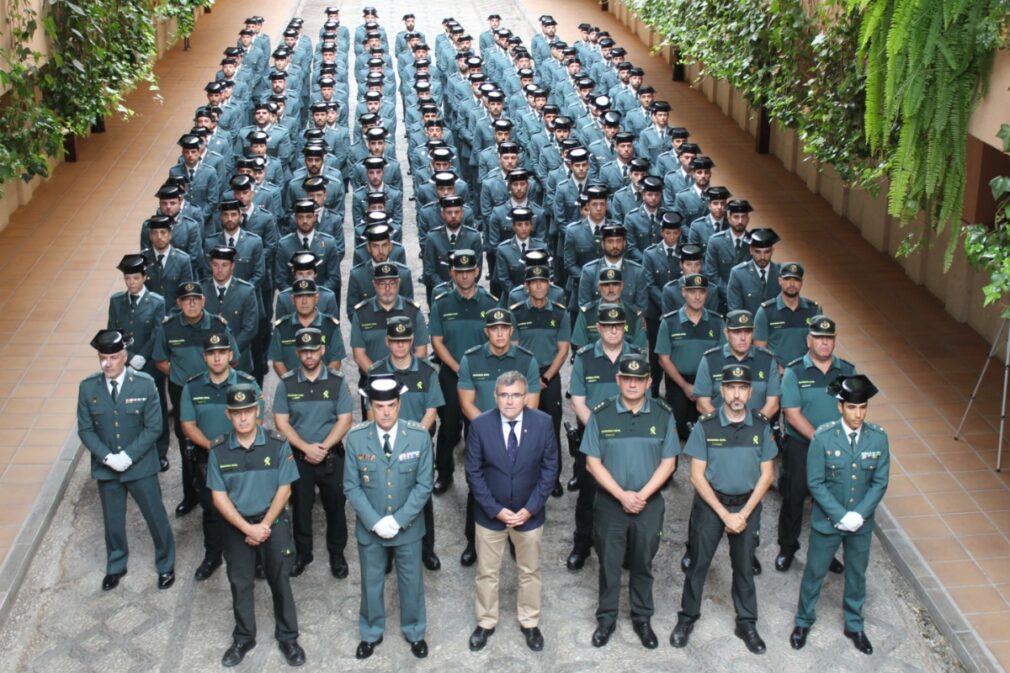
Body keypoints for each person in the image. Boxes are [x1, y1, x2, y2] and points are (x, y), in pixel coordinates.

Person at [671, 365, 776, 655]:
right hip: (711, 505)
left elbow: (767, 475)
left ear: (750, 392)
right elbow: (696, 476)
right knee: (698, 564)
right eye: (731, 387)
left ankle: (747, 623)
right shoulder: (705, 426)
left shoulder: (761, 426)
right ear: (723, 391)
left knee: (743, 568)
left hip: (747, 505)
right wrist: (725, 514)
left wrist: (743, 514)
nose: (737, 393)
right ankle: (687, 618)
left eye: (743, 388)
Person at [582, 353, 679, 649]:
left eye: (639, 379)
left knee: (643, 563)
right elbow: (592, 462)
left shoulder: (663, 414)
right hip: (611, 504)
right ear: (618, 380)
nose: (633, 384)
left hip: (648, 505)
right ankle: (607, 618)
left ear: (649, 382)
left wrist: (642, 496)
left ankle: (642, 617)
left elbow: (669, 462)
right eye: (627, 378)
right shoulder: (601, 413)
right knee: (609, 564)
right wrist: (622, 495)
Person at [207, 384, 305, 668]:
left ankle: (288, 637)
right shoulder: (219, 450)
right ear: (228, 415)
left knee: (280, 580)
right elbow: (218, 496)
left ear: (257, 411)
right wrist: (246, 528)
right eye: (237, 413)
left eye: (248, 411)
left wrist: (263, 525)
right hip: (238, 526)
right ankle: (244, 637)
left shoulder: (277, 444)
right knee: (240, 583)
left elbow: (285, 488)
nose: (243, 418)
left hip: (271, 522)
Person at [790, 375, 888, 655]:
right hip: (828, 522)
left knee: (857, 575)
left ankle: (854, 625)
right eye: (852, 408)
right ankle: (803, 621)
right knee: (815, 572)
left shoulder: (878, 438)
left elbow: (880, 481)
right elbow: (816, 482)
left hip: (861, 522)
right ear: (840, 408)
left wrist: (859, 514)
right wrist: (840, 515)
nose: (858, 414)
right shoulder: (822, 437)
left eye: (863, 408)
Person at [465, 371, 559, 652]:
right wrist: (496, 510)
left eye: (516, 395)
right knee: (486, 572)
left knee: (529, 571)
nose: (509, 401)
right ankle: (485, 621)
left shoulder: (543, 423)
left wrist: (530, 509)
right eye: (504, 395)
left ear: (526, 397)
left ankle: (530, 623)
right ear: (495, 397)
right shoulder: (480, 425)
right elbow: (473, 472)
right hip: (490, 515)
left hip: (528, 516)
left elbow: (550, 469)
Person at [77, 329, 176, 591]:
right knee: (113, 520)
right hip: (107, 467)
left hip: (140, 466)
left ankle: (166, 564)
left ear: (124, 356)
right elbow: (85, 429)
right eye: (102, 358)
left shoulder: (144, 384)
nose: (106, 363)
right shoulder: (88, 388)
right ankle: (116, 565)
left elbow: (154, 427)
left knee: (155, 516)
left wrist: (128, 456)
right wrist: (108, 457)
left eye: (112, 357)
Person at [343, 377, 434, 660]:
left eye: (391, 405)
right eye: (379, 406)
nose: (385, 412)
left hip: (408, 527)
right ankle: (371, 632)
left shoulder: (418, 436)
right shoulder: (356, 438)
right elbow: (351, 485)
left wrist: (397, 520)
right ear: (370, 406)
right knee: (371, 582)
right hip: (371, 529)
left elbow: (424, 485)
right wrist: (375, 521)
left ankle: (415, 631)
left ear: (399, 405)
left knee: (411, 582)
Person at [457, 308, 542, 566]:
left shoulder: (527, 360)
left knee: (519, 486)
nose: (500, 333)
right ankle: (474, 541)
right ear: (487, 332)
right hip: (483, 438)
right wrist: (491, 431)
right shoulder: (471, 359)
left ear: (511, 330)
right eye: (494, 328)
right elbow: (466, 402)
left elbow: (533, 404)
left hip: (520, 436)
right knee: (479, 488)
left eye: (504, 328)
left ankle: (518, 539)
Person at [180, 334, 263, 581]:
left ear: (230, 355)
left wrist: (233, 448)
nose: (217, 358)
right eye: (211, 353)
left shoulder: (247, 384)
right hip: (208, 459)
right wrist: (213, 448)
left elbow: (257, 419)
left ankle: (255, 559)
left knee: (249, 508)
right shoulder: (192, 387)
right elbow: (188, 424)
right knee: (212, 511)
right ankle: (213, 556)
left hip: (244, 457)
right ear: (205, 357)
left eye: (221, 352)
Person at [273, 327, 355, 579]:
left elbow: (345, 420)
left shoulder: (337, 381)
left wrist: (323, 448)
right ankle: (303, 553)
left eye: (313, 350)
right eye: (304, 351)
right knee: (300, 508)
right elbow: (281, 422)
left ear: (322, 350)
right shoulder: (286, 383)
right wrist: (306, 448)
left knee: (336, 508)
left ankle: (336, 554)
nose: (309, 355)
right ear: (298, 353)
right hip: (299, 458)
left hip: (331, 457)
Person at [776, 316, 855, 573]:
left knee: (830, 501)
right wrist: (821, 440)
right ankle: (787, 548)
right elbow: (792, 413)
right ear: (809, 340)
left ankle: (827, 552)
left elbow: (854, 410)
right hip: (801, 448)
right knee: (794, 498)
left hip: (837, 449)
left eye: (829, 338)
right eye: (819, 338)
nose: (824, 342)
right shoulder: (795, 371)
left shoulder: (847, 372)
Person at [566, 304, 643, 570]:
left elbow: (644, 398)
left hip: (629, 438)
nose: (613, 330)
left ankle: (625, 547)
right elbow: (577, 401)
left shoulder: (636, 356)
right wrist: (602, 433)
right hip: (595, 438)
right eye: (607, 326)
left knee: (627, 491)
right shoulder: (585, 358)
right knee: (589, 494)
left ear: (624, 328)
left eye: (618, 326)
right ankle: (582, 543)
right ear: (597, 328)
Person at [152, 281, 238, 517]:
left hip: (216, 389)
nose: (191, 303)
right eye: (186, 300)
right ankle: (191, 495)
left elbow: (235, 358)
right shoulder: (169, 328)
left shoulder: (217, 325)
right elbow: (160, 359)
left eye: (196, 299)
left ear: (203, 301)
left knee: (223, 438)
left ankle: (229, 491)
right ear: (178, 303)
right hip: (183, 392)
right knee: (187, 443)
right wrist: (181, 376)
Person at [367, 316, 445, 571]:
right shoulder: (376, 371)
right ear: (388, 342)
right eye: (395, 341)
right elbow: (371, 412)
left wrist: (412, 441)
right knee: (386, 498)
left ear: (412, 341)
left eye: (405, 341)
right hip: (385, 447)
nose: (400, 346)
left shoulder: (426, 371)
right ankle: (387, 553)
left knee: (422, 499)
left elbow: (432, 409)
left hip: (419, 446)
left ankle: (426, 550)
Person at [428, 250, 499, 495]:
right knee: (448, 426)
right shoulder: (442, 302)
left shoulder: (490, 303)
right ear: (452, 273)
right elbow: (437, 341)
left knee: (477, 426)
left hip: (481, 375)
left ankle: (476, 476)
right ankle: (444, 474)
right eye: (460, 272)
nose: (465, 276)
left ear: (477, 271)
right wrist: (459, 368)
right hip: (451, 372)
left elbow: (496, 340)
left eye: (470, 271)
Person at [510, 264, 571, 497]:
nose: (538, 286)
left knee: (551, 428)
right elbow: (513, 348)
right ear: (526, 286)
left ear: (549, 285)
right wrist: (530, 379)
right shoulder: (516, 313)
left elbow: (563, 349)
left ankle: (552, 477)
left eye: (543, 281)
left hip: (549, 375)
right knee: (522, 428)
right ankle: (525, 476)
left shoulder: (559, 312)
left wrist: (545, 377)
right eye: (533, 282)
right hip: (523, 376)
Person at [108, 254, 169, 470]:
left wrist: (143, 355)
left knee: (156, 407)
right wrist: (130, 357)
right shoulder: (117, 302)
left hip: (151, 364)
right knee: (129, 409)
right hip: (126, 364)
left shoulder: (156, 302)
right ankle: (133, 451)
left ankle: (161, 451)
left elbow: (157, 332)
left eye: (135, 278)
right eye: (128, 279)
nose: (132, 283)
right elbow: (114, 332)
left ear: (144, 277)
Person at [655, 274, 725, 439]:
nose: (697, 296)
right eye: (692, 291)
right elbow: (663, 359)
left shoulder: (717, 322)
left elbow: (722, 357)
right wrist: (685, 386)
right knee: (678, 431)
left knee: (707, 428)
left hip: (708, 383)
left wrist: (702, 388)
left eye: (701, 291)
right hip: (679, 383)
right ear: (683, 292)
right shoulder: (669, 322)